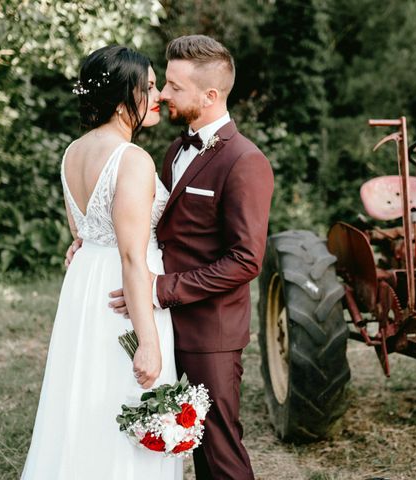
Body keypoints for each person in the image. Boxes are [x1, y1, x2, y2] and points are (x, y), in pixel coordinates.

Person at [69, 35, 275, 479]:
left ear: (210, 95)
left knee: (218, 450)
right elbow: (146, 226)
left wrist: (161, 289)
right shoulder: (171, 151)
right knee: (157, 437)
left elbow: (245, 260)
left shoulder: (245, 161)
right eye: (162, 83)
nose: (161, 93)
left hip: (208, 329)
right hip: (154, 321)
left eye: (174, 86)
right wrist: (90, 238)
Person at [22, 45, 183, 479]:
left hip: (85, 283)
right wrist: (148, 341)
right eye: (148, 86)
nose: (159, 94)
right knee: (127, 390)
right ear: (121, 97)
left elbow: (81, 234)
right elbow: (132, 255)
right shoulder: (132, 159)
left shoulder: (73, 152)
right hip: (122, 290)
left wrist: (80, 248)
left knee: (82, 392)